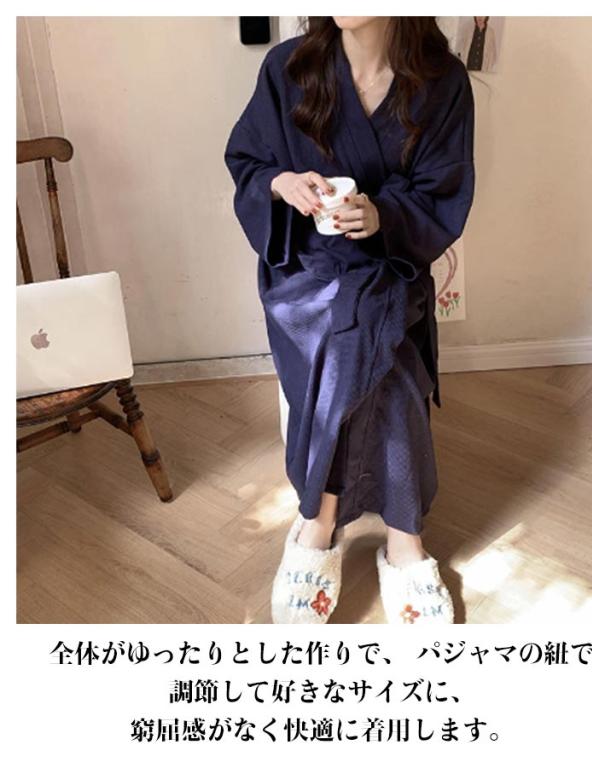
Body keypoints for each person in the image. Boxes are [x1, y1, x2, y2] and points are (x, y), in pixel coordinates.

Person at [224, 16, 475, 624]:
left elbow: (443, 191)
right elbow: (247, 160)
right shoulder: (289, 67)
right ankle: (404, 540)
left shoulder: (442, 81)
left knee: (371, 338)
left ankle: (319, 520)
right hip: (306, 270)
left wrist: (381, 214)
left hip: (389, 263)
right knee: (374, 348)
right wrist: (282, 183)